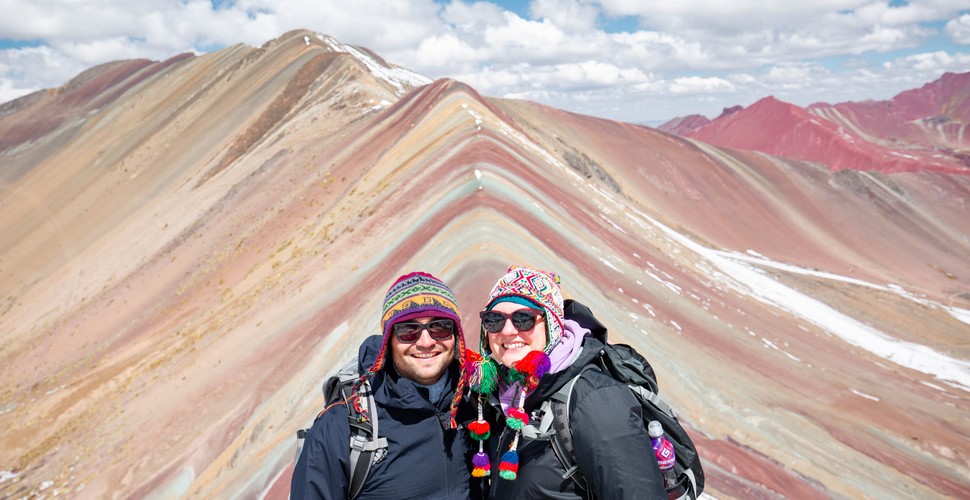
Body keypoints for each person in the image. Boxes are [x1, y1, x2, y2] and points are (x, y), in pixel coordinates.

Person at [469, 265, 668, 499]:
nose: (508, 331)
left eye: (524, 319)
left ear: (552, 325)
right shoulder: (503, 394)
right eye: (494, 320)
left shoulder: (594, 398)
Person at [291, 271, 481, 499]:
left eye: (440, 327)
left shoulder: (476, 403)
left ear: (456, 335)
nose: (426, 342)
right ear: (388, 341)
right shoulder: (343, 426)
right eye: (408, 331)